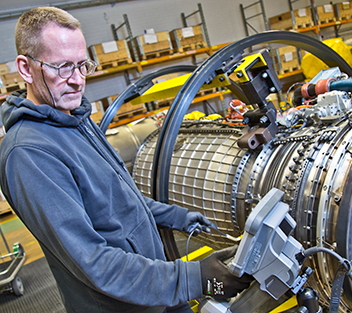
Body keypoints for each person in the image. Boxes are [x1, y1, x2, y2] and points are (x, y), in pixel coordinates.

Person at [0, 7, 251, 313]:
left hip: (154, 286)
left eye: (82, 66)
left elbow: (119, 199)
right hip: (122, 305)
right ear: (25, 68)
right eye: (63, 67)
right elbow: (93, 262)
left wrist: (177, 216)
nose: (78, 81)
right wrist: (192, 278)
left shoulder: (75, 120)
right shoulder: (29, 153)